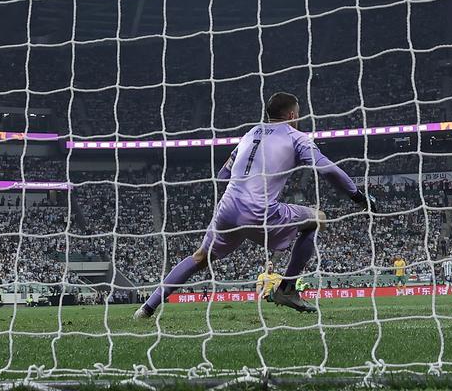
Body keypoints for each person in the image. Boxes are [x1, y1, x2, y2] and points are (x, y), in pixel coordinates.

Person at [135, 92, 375, 318]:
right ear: (292, 115)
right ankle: (287, 289)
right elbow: (327, 169)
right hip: (259, 211)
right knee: (318, 219)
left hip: (227, 209)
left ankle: (146, 308)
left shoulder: (250, 134)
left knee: (199, 257)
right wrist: (359, 198)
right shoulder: (297, 138)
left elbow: (222, 176)